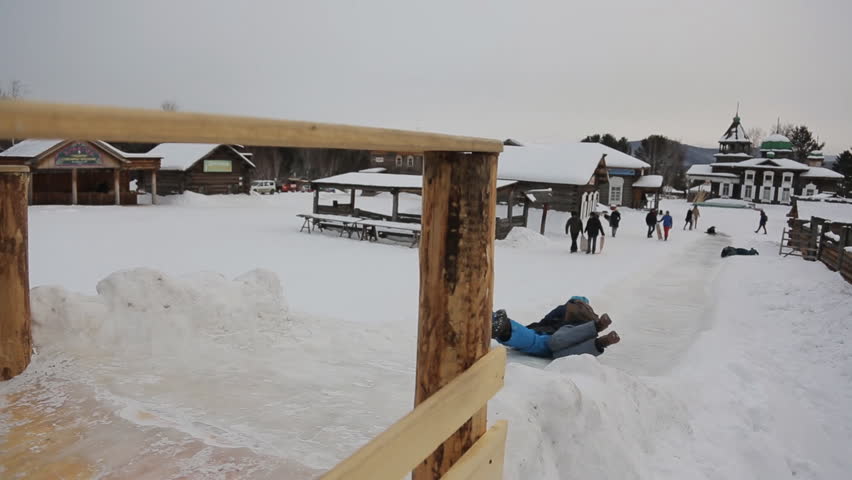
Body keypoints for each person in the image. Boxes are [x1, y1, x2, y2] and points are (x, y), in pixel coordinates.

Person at [491, 297, 620, 359]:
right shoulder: (583, 316)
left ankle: (504, 328)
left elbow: (545, 321)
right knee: (561, 349)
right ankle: (600, 341)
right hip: (575, 336)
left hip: (552, 337)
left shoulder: (564, 309)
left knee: (539, 342)